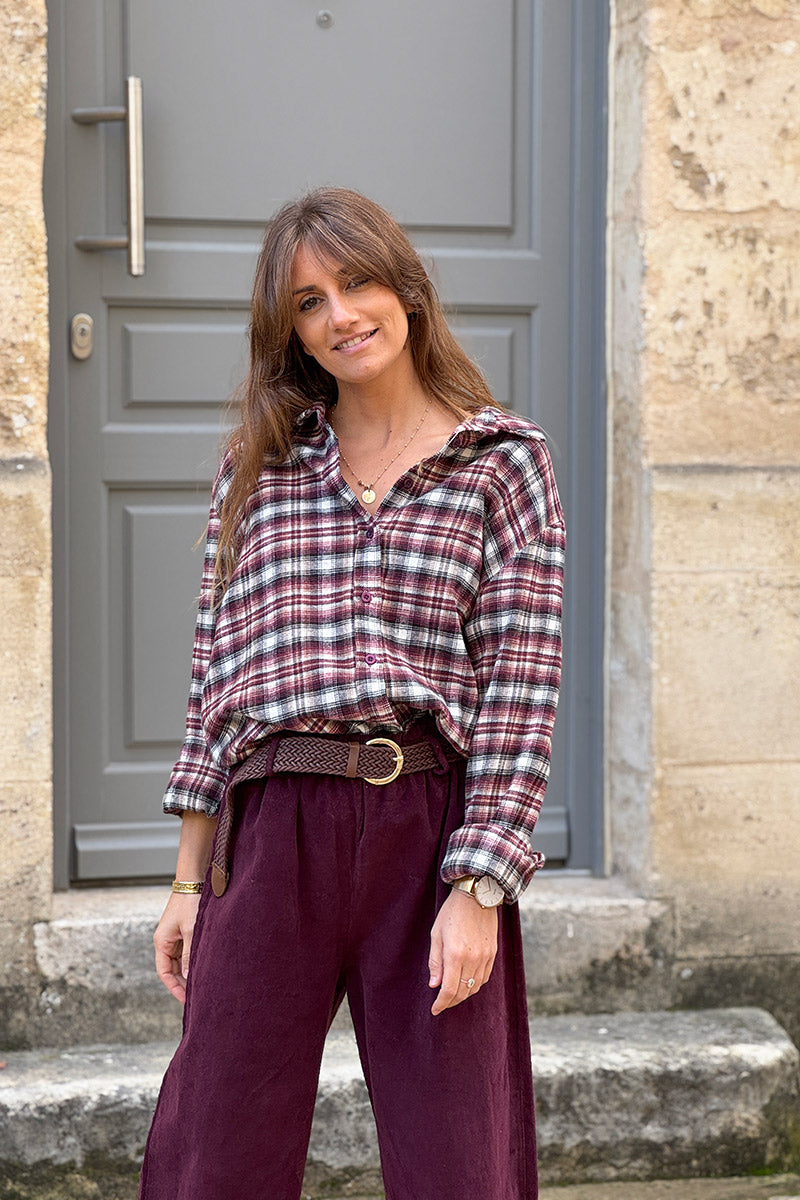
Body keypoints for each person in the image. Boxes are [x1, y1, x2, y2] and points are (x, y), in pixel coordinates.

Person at [138, 187, 565, 1200]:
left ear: (405, 289)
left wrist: (479, 891)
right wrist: (187, 882)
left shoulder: (501, 464)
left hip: (427, 828)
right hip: (272, 825)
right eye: (308, 302)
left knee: (458, 1158)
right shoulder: (260, 467)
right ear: (288, 331)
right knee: (216, 1147)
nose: (340, 315)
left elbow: (520, 691)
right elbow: (214, 682)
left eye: (358, 282)